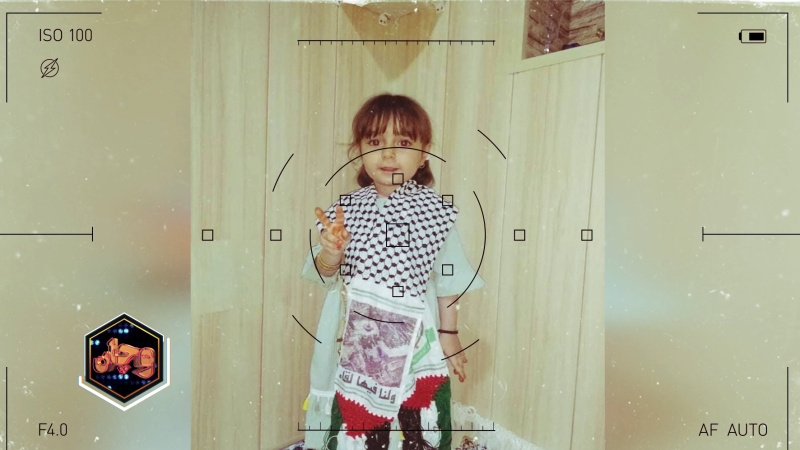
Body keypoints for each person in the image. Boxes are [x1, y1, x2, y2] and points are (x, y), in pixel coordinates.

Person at [301, 93, 485, 450]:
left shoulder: (435, 212)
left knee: (409, 408)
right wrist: (332, 253)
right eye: (375, 142)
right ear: (359, 151)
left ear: (424, 152)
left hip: (413, 330)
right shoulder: (346, 210)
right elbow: (324, 274)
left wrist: (449, 333)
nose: (387, 154)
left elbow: (449, 278)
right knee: (354, 413)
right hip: (350, 329)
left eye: (402, 143)